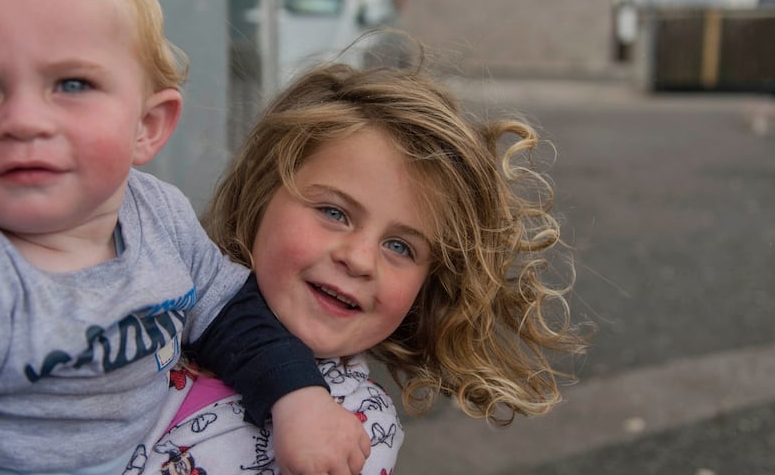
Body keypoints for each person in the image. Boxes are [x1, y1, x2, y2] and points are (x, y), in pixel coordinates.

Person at [0, 0, 369, 475]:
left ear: (147, 126)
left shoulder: (157, 213)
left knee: (348, 416)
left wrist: (297, 398)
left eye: (71, 84)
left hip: (147, 443)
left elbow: (229, 314)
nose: (23, 120)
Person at [127, 59, 589, 474]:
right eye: (334, 213)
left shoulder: (359, 426)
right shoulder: (153, 292)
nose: (359, 258)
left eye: (400, 247)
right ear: (260, 196)